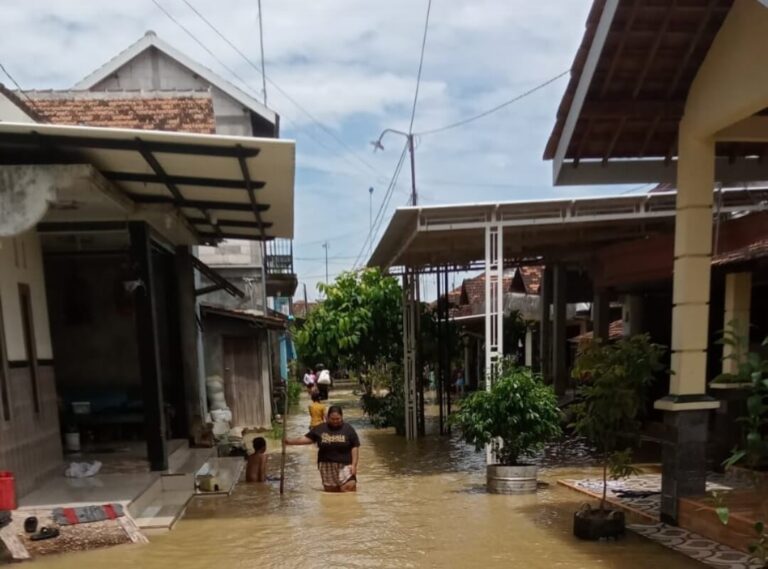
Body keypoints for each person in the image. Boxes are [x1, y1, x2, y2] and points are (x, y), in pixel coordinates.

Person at [285, 406, 359, 492]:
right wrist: (290, 442)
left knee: (349, 487)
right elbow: (307, 439)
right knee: (332, 493)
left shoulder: (348, 429)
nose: (335, 421)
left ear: (342, 417)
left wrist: (354, 465)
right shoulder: (320, 428)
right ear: (327, 418)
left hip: (345, 465)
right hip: (326, 465)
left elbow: (355, 447)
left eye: (338, 419)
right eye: (332, 419)